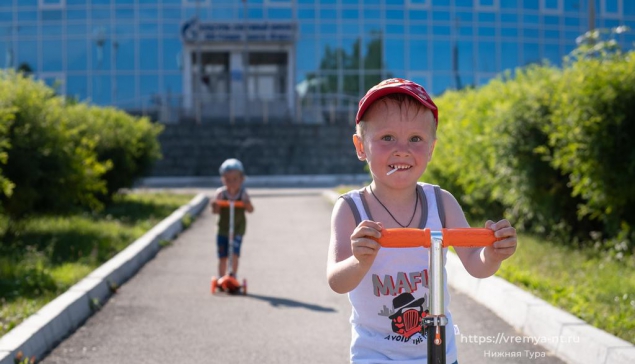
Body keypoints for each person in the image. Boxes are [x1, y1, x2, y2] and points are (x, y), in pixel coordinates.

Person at [326, 78, 517, 363]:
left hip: (437, 351)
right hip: (375, 354)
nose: (401, 149)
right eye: (387, 137)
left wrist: (492, 254)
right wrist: (359, 261)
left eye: (416, 139)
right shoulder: (351, 209)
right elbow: (337, 281)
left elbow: (476, 265)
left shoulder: (441, 203)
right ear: (361, 146)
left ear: (431, 149)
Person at [211, 158, 254, 279]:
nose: (232, 182)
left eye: (235, 179)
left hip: (238, 229)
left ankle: (233, 275)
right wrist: (215, 205)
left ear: (242, 179)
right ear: (223, 179)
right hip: (223, 229)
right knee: (222, 256)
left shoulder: (243, 194)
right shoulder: (220, 193)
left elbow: (250, 210)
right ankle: (221, 277)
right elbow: (215, 211)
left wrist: (246, 203)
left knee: (234, 254)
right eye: (228, 179)